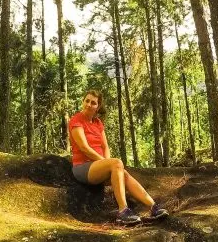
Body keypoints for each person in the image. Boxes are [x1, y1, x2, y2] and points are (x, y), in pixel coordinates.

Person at [68, 90, 168, 225]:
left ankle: (153, 207)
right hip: (83, 168)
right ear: (83, 101)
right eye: (87, 101)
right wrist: (107, 163)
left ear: (97, 107)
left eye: (93, 103)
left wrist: (107, 163)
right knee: (116, 163)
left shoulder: (98, 123)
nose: (89, 104)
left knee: (124, 174)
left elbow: (105, 146)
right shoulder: (76, 120)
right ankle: (122, 211)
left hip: (98, 166)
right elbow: (84, 148)